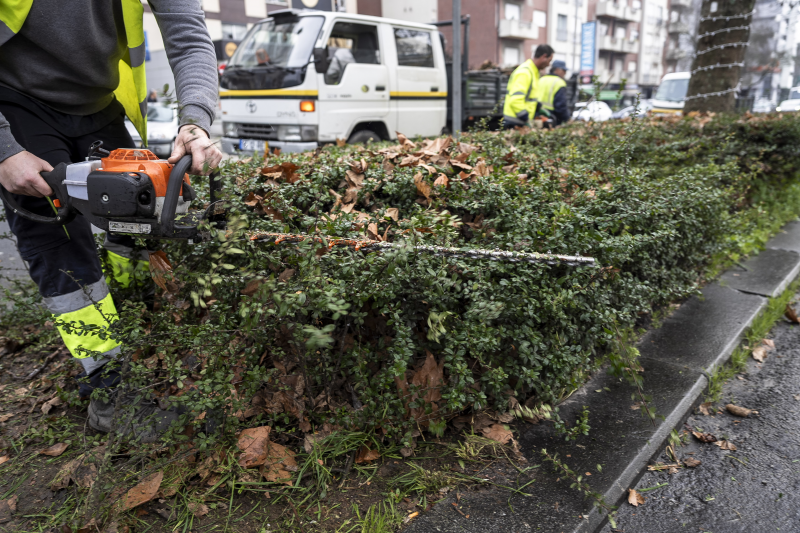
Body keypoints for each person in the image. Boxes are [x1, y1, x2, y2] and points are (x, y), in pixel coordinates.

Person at [0, 0, 223, 441]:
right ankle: (108, 384)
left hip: (96, 104)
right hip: (17, 100)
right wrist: (4, 151)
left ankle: (146, 340)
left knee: (138, 221)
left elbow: (189, 35)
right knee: (59, 242)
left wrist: (196, 120)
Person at [503, 44, 554, 128]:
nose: (549, 64)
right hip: (515, 123)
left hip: (518, 122)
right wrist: (525, 118)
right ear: (544, 56)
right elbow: (515, 100)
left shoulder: (533, 72)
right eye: (549, 60)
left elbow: (529, 97)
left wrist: (538, 107)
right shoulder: (525, 72)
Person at [537, 60, 570, 126]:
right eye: (564, 70)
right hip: (553, 119)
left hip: (538, 116)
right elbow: (561, 107)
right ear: (557, 69)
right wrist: (567, 119)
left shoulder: (541, 79)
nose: (565, 73)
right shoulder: (559, 83)